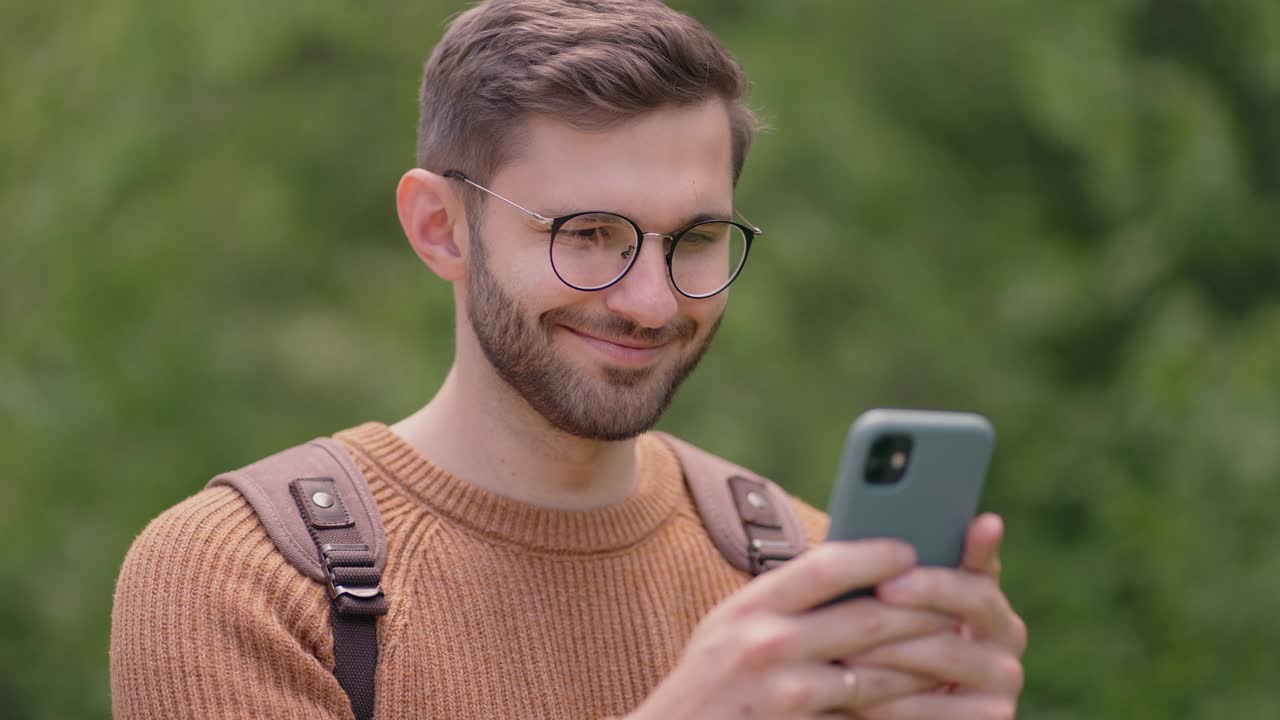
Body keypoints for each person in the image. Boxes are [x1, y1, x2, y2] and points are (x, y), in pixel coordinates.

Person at [109, 1, 1026, 718]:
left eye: (696, 239)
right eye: (589, 235)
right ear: (440, 228)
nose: (652, 301)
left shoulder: (804, 578)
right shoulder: (246, 579)